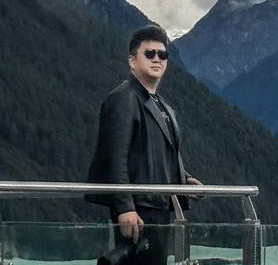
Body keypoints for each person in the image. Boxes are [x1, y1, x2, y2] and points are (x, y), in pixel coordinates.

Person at [86, 24, 202, 264]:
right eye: (149, 53)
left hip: (158, 204)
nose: (157, 59)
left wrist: (183, 178)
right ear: (132, 61)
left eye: (163, 54)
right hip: (138, 208)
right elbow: (114, 157)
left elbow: (158, 152)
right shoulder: (123, 98)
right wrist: (124, 207)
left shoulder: (160, 104)